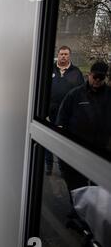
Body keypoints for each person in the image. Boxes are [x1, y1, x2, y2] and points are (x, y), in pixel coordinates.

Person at [56, 60, 111, 195]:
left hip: (102, 150)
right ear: (89, 75)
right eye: (95, 77)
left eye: (101, 78)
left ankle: (95, 212)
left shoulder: (109, 96)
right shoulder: (75, 94)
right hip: (78, 148)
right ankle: (77, 210)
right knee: (76, 183)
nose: (97, 80)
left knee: (99, 185)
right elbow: (62, 118)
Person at [46, 45, 84, 175]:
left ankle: (63, 167)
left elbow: (81, 93)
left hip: (67, 114)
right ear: (58, 54)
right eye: (61, 54)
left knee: (63, 141)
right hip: (49, 113)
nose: (63, 56)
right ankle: (48, 165)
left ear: (70, 56)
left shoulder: (76, 72)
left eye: (66, 54)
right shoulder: (48, 68)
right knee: (48, 139)